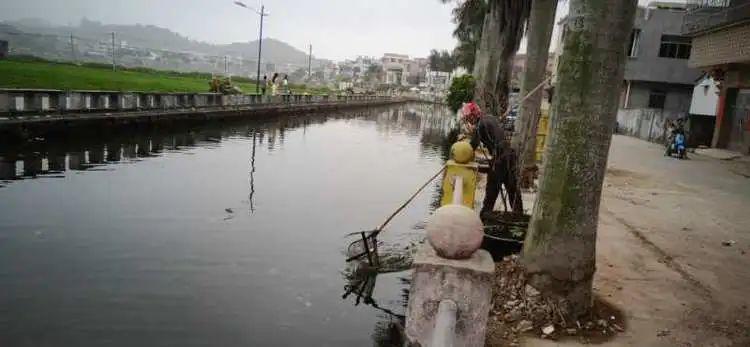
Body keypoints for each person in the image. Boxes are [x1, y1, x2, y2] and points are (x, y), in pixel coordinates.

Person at [462, 102, 523, 215]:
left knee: (491, 192)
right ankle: (519, 218)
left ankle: (484, 217)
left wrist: (464, 144)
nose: (468, 120)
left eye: (468, 117)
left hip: (499, 159)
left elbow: (471, 148)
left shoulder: (480, 125)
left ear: (473, 115)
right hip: (510, 156)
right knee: (513, 192)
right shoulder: (490, 118)